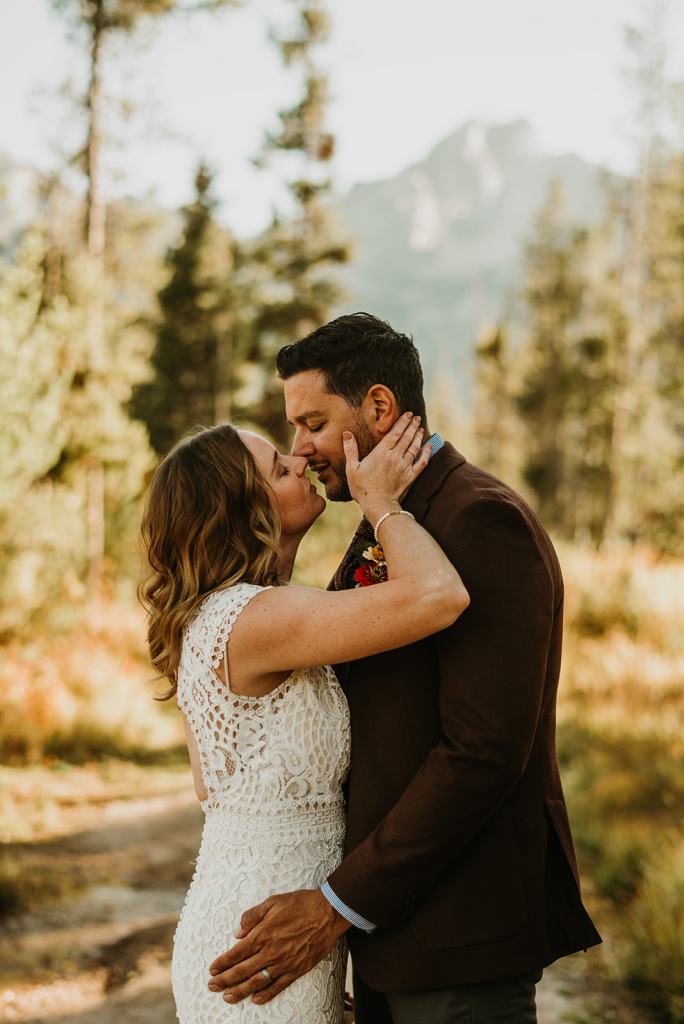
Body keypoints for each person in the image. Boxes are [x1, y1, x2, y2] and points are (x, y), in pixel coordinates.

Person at [207, 312, 602, 1024]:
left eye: (313, 422)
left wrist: (337, 907)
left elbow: (482, 751)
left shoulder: (478, 519)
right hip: (390, 933)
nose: (302, 449)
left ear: (380, 408)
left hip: (459, 936)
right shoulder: (390, 516)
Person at [139, 411, 470, 1024]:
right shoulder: (254, 618)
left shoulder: (224, 619)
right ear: (244, 508)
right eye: (276, 467)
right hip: (262, 939)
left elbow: (214, 786)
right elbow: (439, 595)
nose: (299, 461)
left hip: (264, 930)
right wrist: (382, 503)